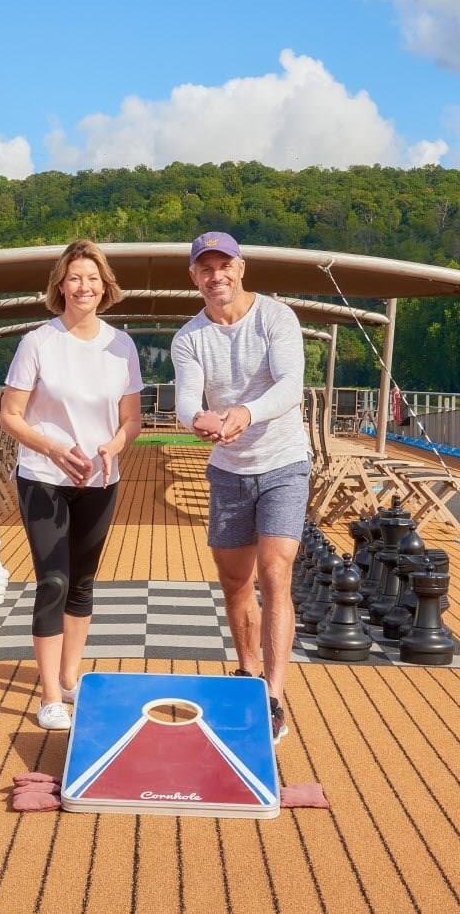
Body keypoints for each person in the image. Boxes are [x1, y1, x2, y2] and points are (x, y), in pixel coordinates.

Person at [0, 239, 143, 731]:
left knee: (82, 582)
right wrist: (54, 449)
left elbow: (131, 419)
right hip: (45, 478)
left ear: (105, 287)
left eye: (93, 279)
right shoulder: (38, 342)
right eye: (75, 278)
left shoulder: (121, 346)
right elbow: (10, 415)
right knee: (53, 582)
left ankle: (68, 678)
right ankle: (48, 697)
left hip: (100, 479)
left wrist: (114, 446)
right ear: (60, 285)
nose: (84, 287)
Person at [172, 231, 308, 743]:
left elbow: (290, 384)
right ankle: (247, 672)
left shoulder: (276, 317)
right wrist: (199, 419)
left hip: (283, 462)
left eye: (224, 265)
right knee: (234, 581)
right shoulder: (189, 337)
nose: (217, 276)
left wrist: (246, 413)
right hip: (229, 469)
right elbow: (187, 400)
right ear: (194, 276)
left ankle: (273, 695)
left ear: (241, 267)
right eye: (206, 269)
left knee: (275, 571)